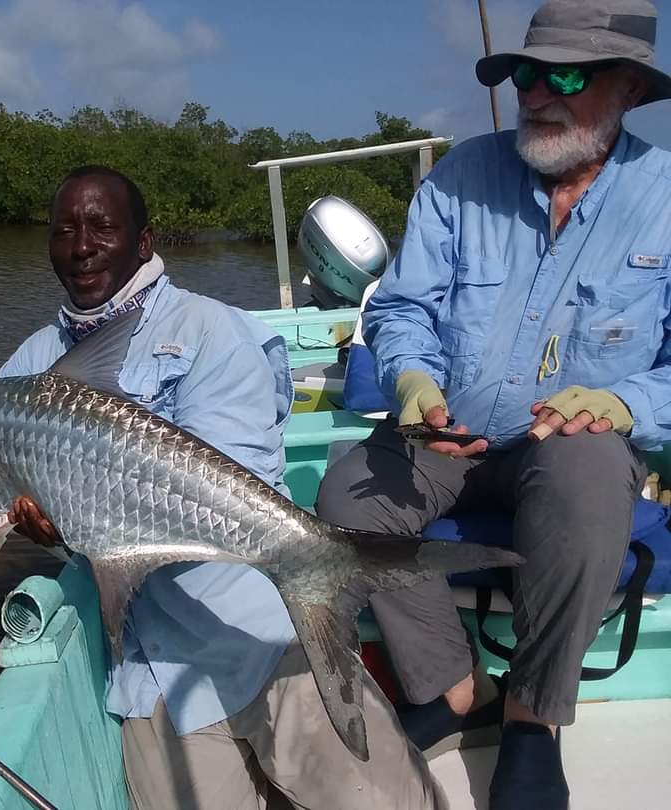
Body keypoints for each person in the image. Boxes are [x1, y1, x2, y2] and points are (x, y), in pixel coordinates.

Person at [0, 165, 442, 809]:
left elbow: (231, 477)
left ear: (144, 241)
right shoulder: (32, 361)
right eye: (63, 229)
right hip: (152, 672)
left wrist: (82, 514)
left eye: (101, 228)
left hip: (265, 636)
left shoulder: (216, 332)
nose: (81, 246)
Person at [315, 2, 671, 809]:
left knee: (583, 469)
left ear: (624, 87)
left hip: (570, 449)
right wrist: (411, 380)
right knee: (341, 498)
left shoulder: (666, 198)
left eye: (566, 75)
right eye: (525, 72)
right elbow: (403, 311)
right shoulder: (459, 176)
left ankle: (532, 716)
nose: (537, 92)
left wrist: (623, 402)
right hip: (449, 440)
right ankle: (449, 685)